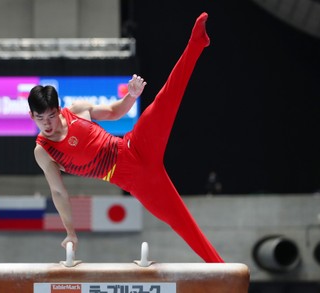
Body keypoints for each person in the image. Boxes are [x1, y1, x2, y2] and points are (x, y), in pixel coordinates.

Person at [28, 12, 224, 263]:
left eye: (51, 116)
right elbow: (58, 192)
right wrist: (71, 233)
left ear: (58, 109)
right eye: (40, 118)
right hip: (136, 179)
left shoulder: (77, 110)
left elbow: (115, 112)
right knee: (180, 221)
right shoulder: (43, 151)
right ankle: (222, 271)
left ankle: (196, 43)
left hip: (134, 144)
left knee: (165, 101)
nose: (47, 124)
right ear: (32, 115)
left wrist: (131, 95)